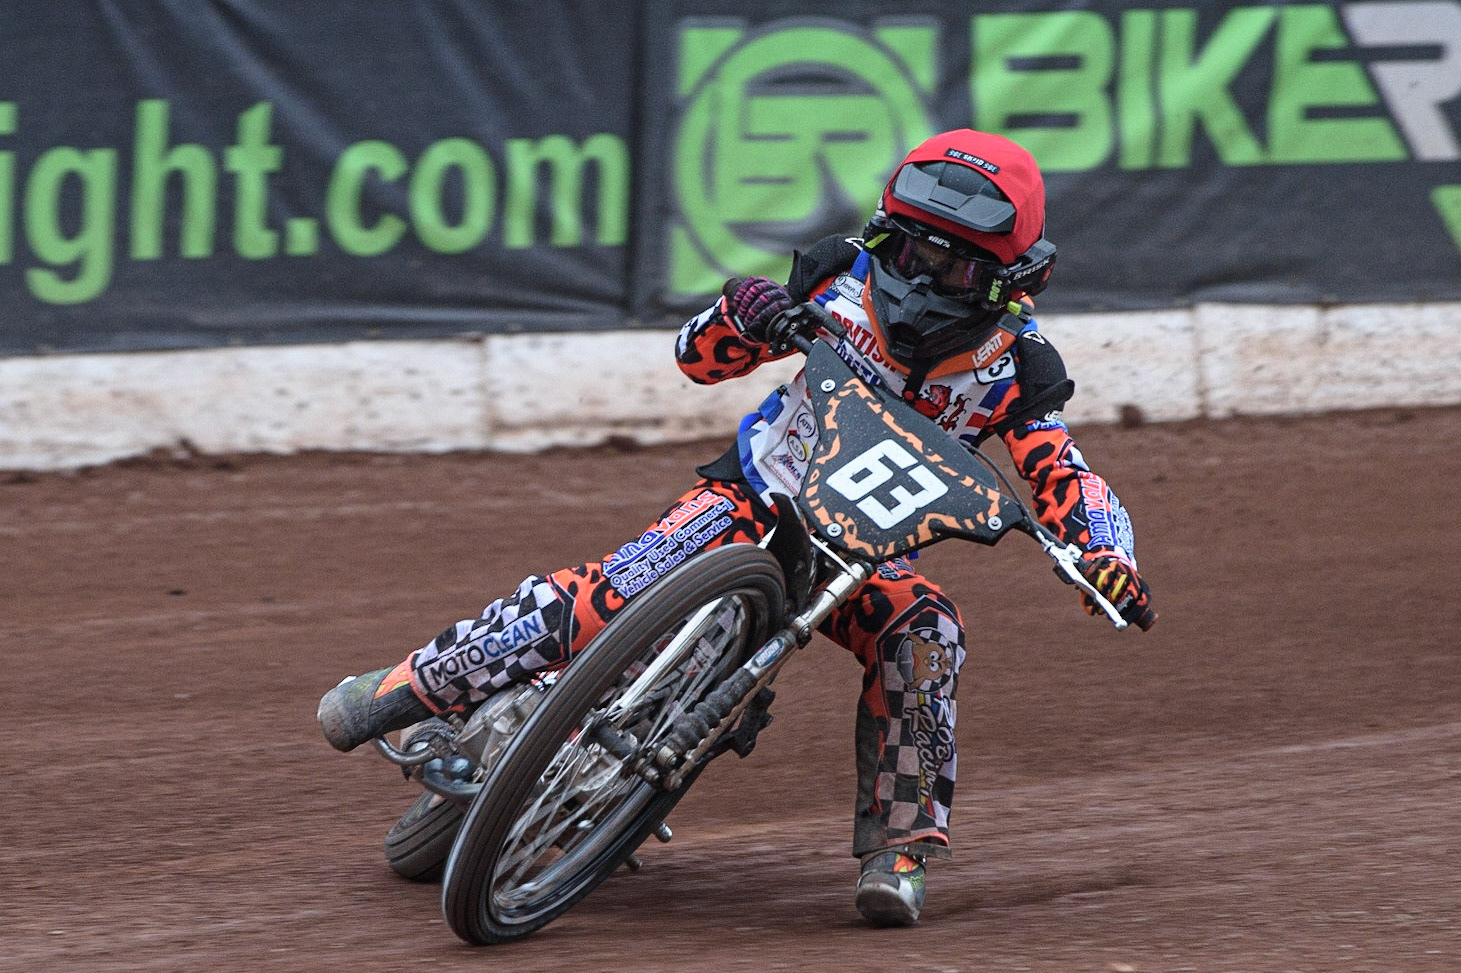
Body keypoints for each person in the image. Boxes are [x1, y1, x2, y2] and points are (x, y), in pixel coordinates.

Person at [317, 128, 1155, 926]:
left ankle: (899, 851)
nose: (923, 276)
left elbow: (1060, 473)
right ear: (884, 231)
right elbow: (695, 357)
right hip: (750, 497)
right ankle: (400, 686)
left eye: (952, 267)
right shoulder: (835, 273)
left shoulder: (1019, 369)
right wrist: (742, 314)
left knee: (927, 630)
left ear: (1013, 281)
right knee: (616, 585)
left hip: (858, 561)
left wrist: (1103, 555)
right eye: (909, 250)